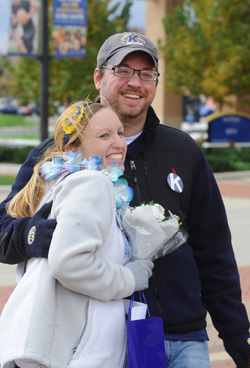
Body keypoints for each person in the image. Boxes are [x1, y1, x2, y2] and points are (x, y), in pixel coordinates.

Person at [0, 32, 250, 367]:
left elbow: (213, 249)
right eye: (124, 70)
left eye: (147, 74)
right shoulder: (58, 152)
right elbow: (5, 229)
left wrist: (236, 334)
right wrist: (39, 236)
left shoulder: (183, 151)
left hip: (183, 339)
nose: (136, 82)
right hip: (105, 342)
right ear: (99, 77)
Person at [0, 100, 154, 368]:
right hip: (81, 354)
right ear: (72, 149)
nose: (118, 143)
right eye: (104, 135)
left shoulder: (61, 182)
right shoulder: (91, 182)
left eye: (120, 133)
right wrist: (130, 277)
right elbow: (69, 264)